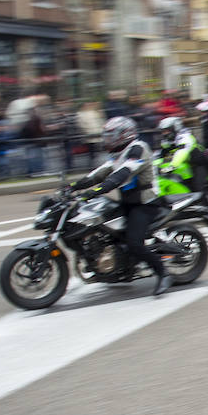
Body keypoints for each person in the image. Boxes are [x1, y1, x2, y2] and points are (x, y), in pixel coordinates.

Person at [71, 116, 173, 296]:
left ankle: (163, 273)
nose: (107, 139)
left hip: (145, 204)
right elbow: (97, 174)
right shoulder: (117, 154)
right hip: (127, 203)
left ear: (124, 134)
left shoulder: (138, 149)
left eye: (111, 135)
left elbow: (123, 174)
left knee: (134, 243)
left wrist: (96, 190)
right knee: (104, 231)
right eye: (107, 136)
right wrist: (72, 187)